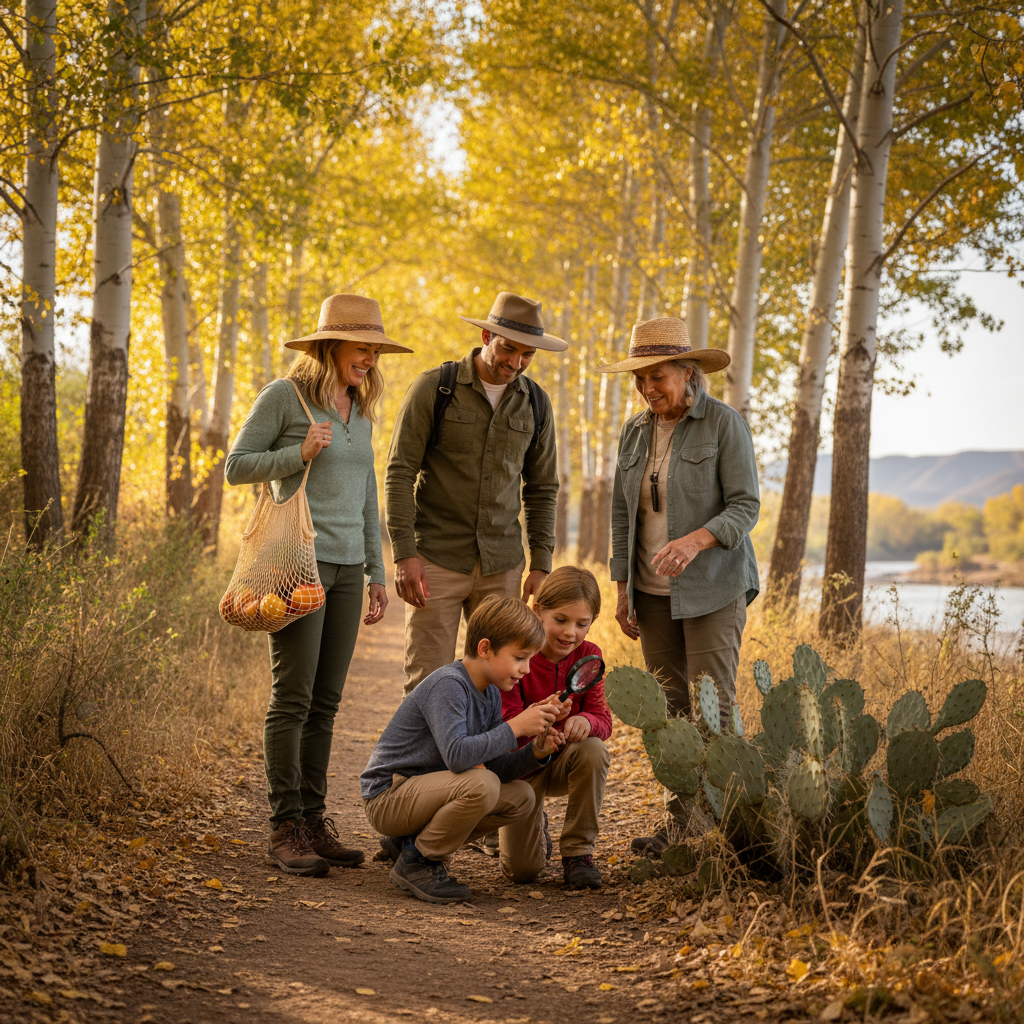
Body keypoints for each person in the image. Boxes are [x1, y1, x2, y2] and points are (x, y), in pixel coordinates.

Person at [225, 293, 412, 877]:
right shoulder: (286, 398)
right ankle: (284, 826)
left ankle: (313, 819)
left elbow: (364, 498)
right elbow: (237, 464)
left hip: (346, 570)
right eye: (363, 349)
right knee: (293, 697)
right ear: (332, 346)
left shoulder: (359, 411)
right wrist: (296, 452)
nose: (371, 360)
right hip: (296, 566)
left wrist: (376, 571)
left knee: (326, 703)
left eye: (376, 351)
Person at [600, 316, 759, 856]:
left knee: (712, 709)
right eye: (640, 379)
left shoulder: (723, 424)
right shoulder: (634, 431)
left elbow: (746, 506)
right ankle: (685, 823)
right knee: (671, 714)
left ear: (689, 373)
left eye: (658, 377)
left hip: (714, 588)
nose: (648, 390)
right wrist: (622, 586)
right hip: (650, 594)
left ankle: (734, 830)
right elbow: (623, 515)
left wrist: (695, 542)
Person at [385, 291, 568, 695]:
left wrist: (541, 563)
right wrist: (404, 553)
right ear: (486, 336)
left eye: (527, 355)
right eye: (508, 349)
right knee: (427, 681)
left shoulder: (536, 404)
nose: (515, 363)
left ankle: (481, 759)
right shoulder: (435, 389)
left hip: (502, 564)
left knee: (500, 683)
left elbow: (542, 489)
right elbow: (399, 473)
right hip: (436, 560)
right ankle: (424, 761)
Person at [360, 596, 566, 904]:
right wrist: (515, 728)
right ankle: (417, 862)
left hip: (425, 795)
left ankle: (410, 842)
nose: (526, 668)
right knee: (481, 785)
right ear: (484, 648)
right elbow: (458, 757)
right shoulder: (449, 685)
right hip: (389, 796)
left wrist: (535, 751)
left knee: (520, 796)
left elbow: (493, 768)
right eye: (519, 657)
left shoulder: (491, 694)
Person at [499, 566, 612, 890]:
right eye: (560, 620)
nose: (570, 633)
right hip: (523, 768)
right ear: (538, 611)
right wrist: (538, 723)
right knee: (523, 872)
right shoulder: (520, 653)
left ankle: (578, 853)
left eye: (582, 624)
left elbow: (603, 719)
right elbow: (505, 724)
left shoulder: (589, 655)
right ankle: (536, 826)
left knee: (594, 749)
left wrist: (585, 721)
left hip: (565, 761)